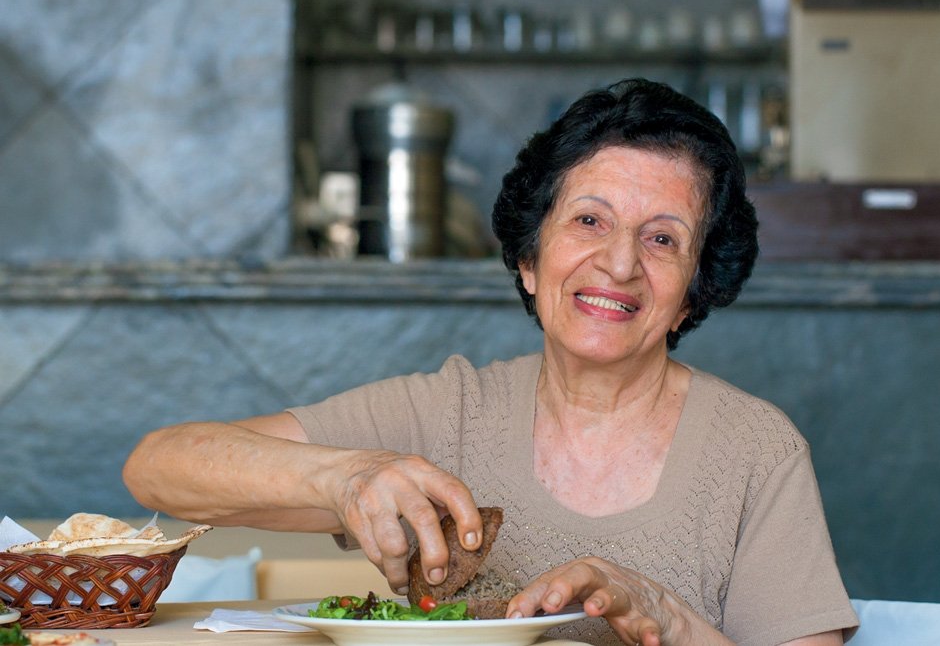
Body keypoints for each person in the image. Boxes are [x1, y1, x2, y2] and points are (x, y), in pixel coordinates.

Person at [124, 78, 858, 646]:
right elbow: (159, 467)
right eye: (589, 221)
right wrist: (343, 477)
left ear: (695, 291)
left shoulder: (755, 452)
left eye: (663, 239)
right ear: (531, 260)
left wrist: (662, 613)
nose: (620, 263)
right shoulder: (448, 413)